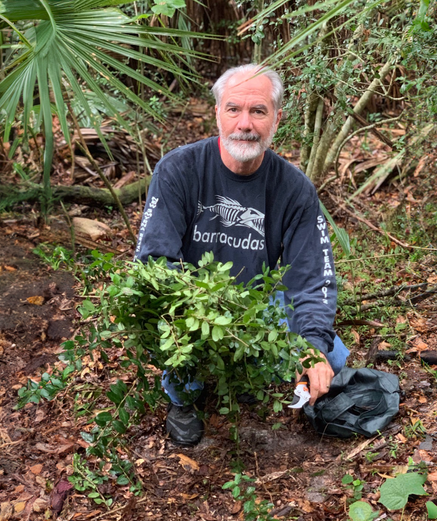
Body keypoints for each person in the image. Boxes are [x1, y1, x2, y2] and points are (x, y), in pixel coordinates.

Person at [134, 64, 349, 446]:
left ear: (277, 119)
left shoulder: (295, 189)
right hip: (192, 306)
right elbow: (153, 263)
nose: (245, 123)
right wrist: (199, 313)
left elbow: (313, 277)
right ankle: (182, 399)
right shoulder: (178, 170)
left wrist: (311, 346)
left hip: (258, 305)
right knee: (178, 348)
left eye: (259, 111)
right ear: (217, 112)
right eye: (234, 109)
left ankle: (252, 365)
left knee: (334, 360)